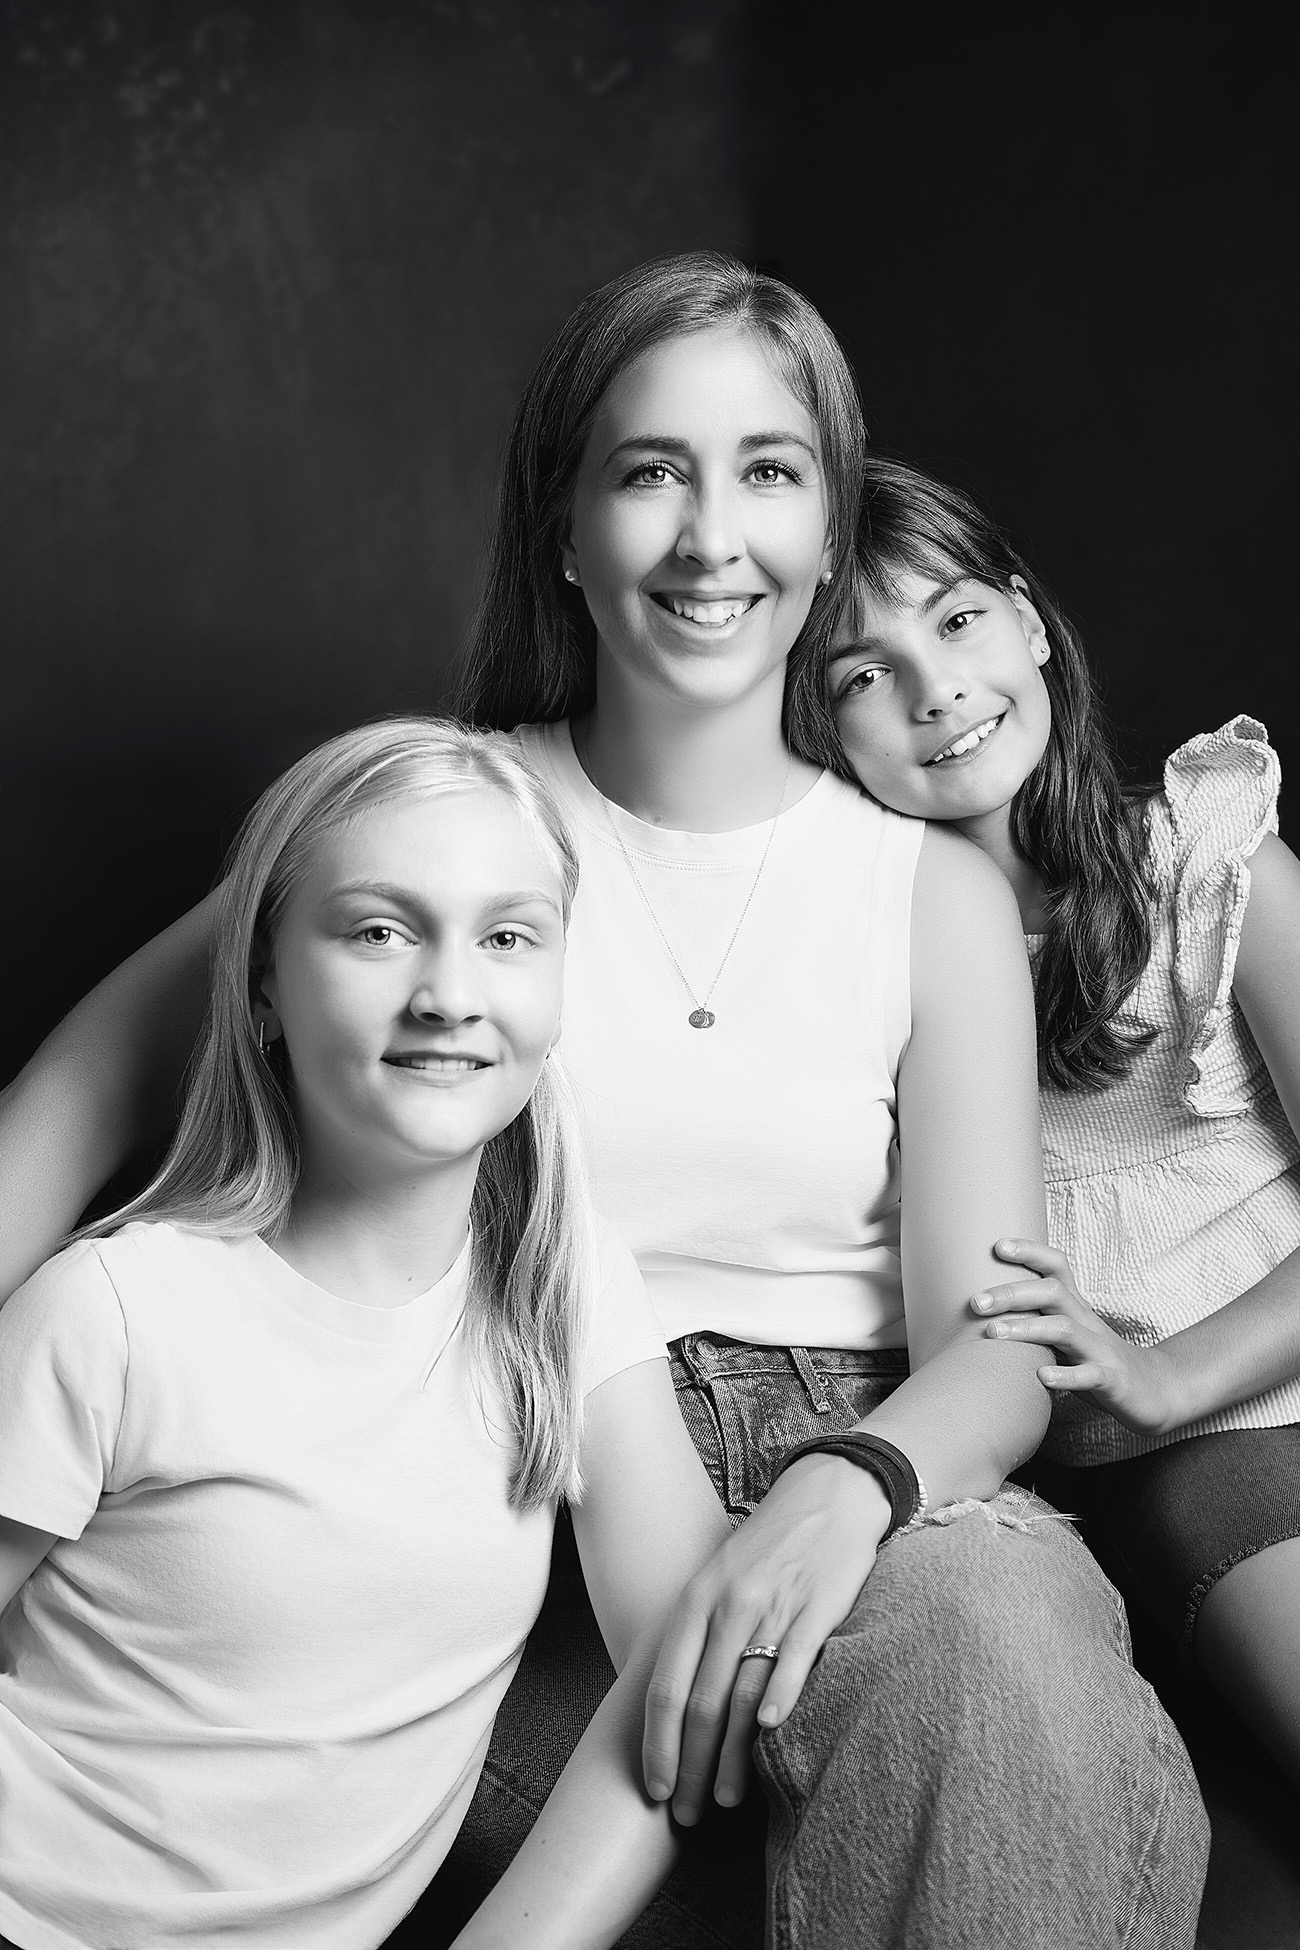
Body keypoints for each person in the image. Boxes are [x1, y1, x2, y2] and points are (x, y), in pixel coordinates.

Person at [0, 255, 1209, 1949]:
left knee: (997, 1650)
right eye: (652, 473)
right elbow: (73, 1090)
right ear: (564, 528)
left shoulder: (922, 893)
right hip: (507, 1480)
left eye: (769, 474)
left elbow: (995, 1339)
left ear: (823, 516)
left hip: (865, 1467)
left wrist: (840, 1488)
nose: (715, 539)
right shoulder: (448, 824)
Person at [0, 718, 731, 1950]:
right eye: (379, 930)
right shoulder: (115, 1309)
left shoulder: (566, 1290)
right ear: (266, 985)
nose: (447, 995)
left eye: (506, 937)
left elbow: (686, 1667)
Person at [823, 450, 1300, 1792]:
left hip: (1253, 1391)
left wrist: (1167, 1373)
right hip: (1166, 1477)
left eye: (959, 618)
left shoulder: (1203, 862)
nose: (936, 689)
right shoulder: (862, 974)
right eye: (863, 674)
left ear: (1028, 623)